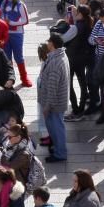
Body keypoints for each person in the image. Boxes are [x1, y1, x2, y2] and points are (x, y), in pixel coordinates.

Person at [36, 34, 69, 163]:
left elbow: (52, 87)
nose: (47, 43)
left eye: (49, 41)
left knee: (56, 128)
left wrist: (47, 106)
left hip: (54, 104)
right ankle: (58, 148)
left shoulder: (55, 62)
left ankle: (60, 153)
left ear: (52, 44)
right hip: (57, 102)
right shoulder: (60, 55)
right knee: (57, 127)